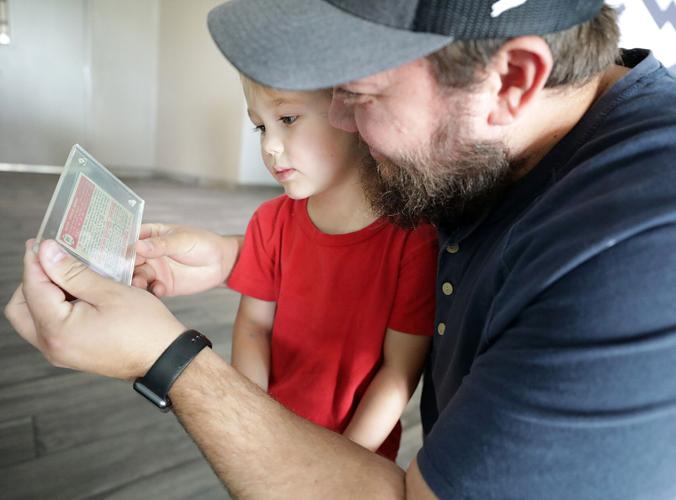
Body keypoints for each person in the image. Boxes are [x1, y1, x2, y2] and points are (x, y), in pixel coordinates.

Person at [5, 0, 676, 498]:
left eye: (357, 96)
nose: (342, 123)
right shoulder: (502, 150)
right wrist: (236, 254)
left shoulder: (640, 260)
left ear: (512, 80)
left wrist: (166, 360)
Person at [213, 77, 437, 460]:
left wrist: (339, 463)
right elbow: (253, 326)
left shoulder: (413, 240)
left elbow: (400, 372)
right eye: (260, 126)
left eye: (287, 118)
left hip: (355, 456)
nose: (269, 146)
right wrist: (254, 425)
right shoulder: (270, 221)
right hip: (272, 442)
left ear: (352, 110)